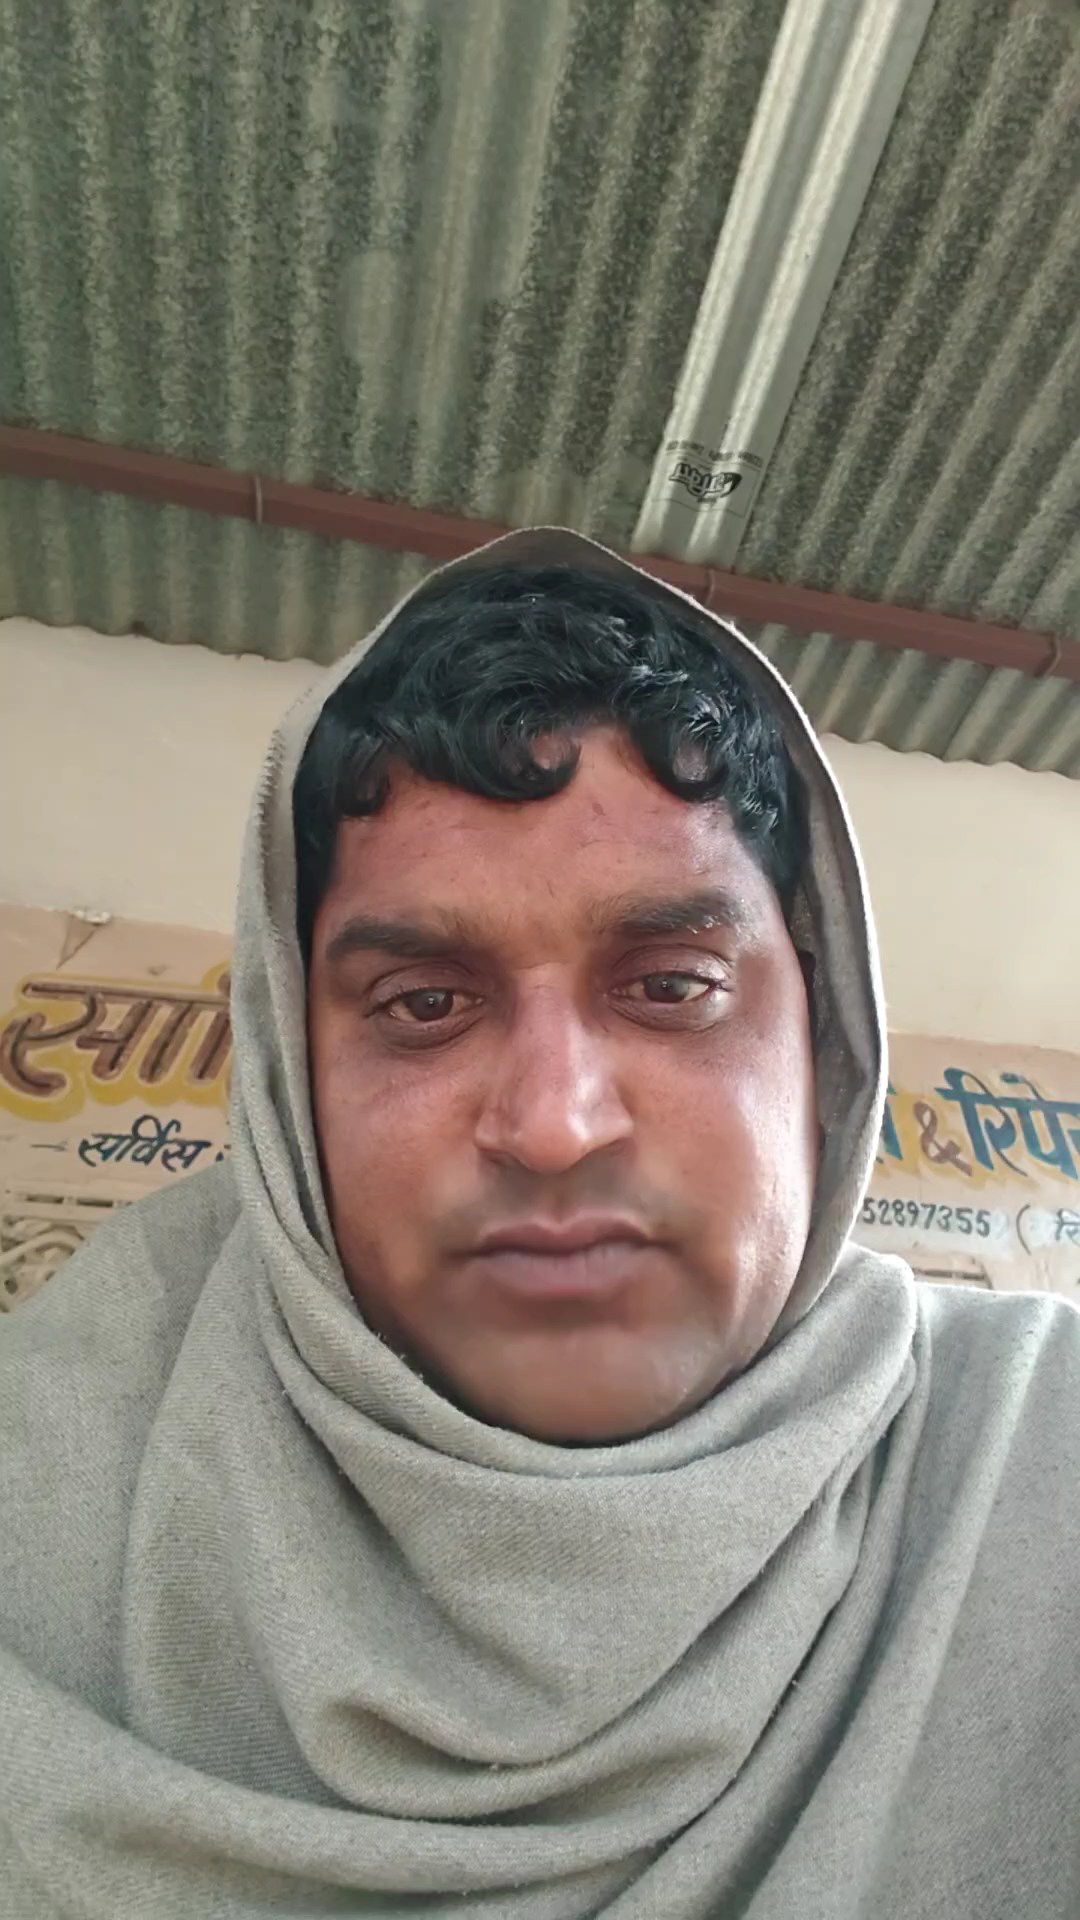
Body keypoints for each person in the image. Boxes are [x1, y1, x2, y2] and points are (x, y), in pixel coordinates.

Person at [1, 528, 1078, 1919]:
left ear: (824, 1041)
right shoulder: (52, 1478)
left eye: (673, 986)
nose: (556, 1124)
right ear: (287, 1073)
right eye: (425, 1005)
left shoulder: (1035, 1465)